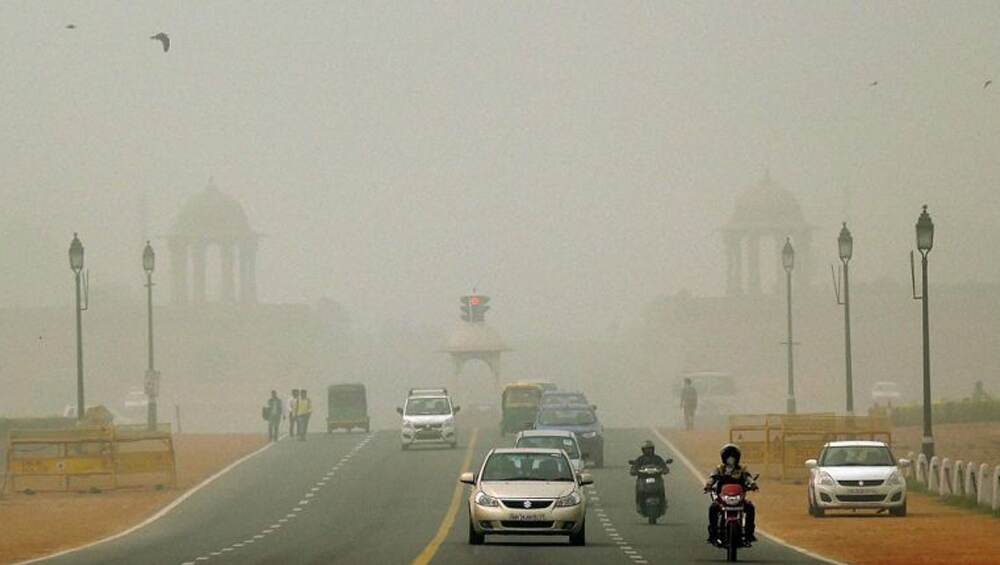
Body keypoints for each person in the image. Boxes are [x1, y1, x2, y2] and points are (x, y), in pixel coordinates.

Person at [705, 443, 757, 545]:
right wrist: (708, 485)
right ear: (724, 457)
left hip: (739, 498)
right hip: (722, 498)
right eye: (728, 456)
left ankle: (749, 534)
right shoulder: (719, 468)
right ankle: (713, 535)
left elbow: (748, 477)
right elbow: (712, 478)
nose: (731, 459)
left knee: (750, 508)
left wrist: (753, 484)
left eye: (733, 456)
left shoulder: (742, 469)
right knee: (713, 508)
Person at [631, 440, 668, 509]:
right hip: (643, 479)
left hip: (656, 478)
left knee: (661, 490)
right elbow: (634, 468)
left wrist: (665, 470)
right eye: (647, 449)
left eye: (650, 449)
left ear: (653, 449)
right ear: (643, 450)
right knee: (639, 490)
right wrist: (634, 470)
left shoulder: (657, 458)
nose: (649, 450)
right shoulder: (640, 459)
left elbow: (664, 466)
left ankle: (663, 503)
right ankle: (639, 504)